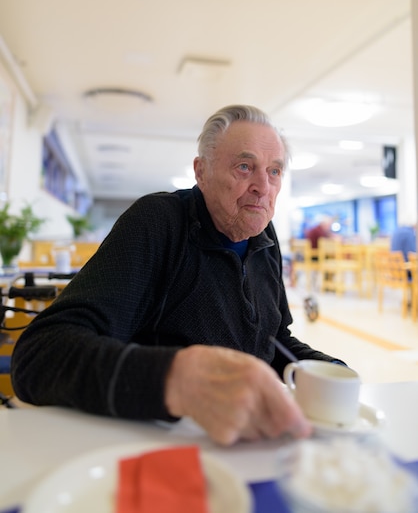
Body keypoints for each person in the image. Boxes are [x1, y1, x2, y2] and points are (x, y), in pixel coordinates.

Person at [12, 105, 345, 446]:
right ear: (201, 172)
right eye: (245, 167)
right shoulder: (157, 223)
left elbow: (273, 342)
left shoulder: (265, 238)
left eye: (274, 171)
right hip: (156, 443)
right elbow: (39, 357)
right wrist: (176, 380)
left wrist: (333, 372)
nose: (263, 185)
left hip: (245, 443)